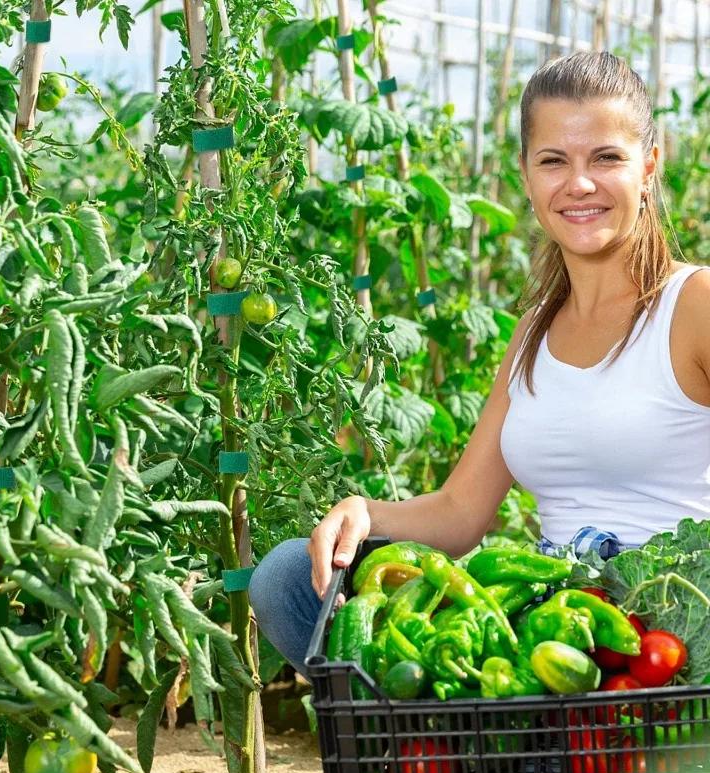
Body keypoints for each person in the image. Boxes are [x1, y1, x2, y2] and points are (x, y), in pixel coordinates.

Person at [248, 51, 710, 678]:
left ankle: (490, 766)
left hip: (671, 638)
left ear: (649, 166)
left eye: (606, 157)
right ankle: (455, 756)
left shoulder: (693, 304)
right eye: (554, 160)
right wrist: (366, 511)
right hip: (555, 624)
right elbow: (462, 514)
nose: (579, 184)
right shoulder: (533, 335)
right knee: (287, 579)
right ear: (525, 175)